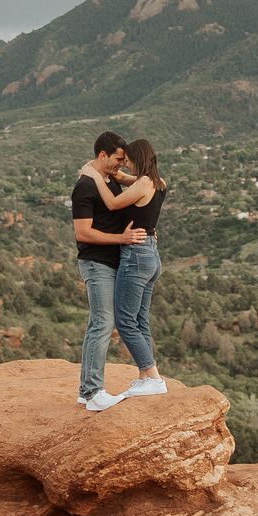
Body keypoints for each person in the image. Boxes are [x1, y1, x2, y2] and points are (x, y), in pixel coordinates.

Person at [83, 137, 167, 399]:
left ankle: (153, 376)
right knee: (140, 319)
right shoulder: (158, 182)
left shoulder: (143, 183)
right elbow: (125, 179)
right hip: (151, 254)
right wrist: (110, 172)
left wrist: (94, 176)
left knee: (125, 321)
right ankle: (145, 378)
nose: (126, 164)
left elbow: (112, 203)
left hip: (136, 257)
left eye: (128, 159)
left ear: (138, 158)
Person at [71, 131, 148, 412]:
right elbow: (82, 233)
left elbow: (140, 183)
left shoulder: (108, 179)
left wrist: (108, 173)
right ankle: (93, 393)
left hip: (113, 262)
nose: (121, 164)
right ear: (102, 155)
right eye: (118, 159)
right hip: (97, 262)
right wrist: (122, 239)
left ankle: (86, 392)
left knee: (102, 322)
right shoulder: (85, 186)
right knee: (102, 323)